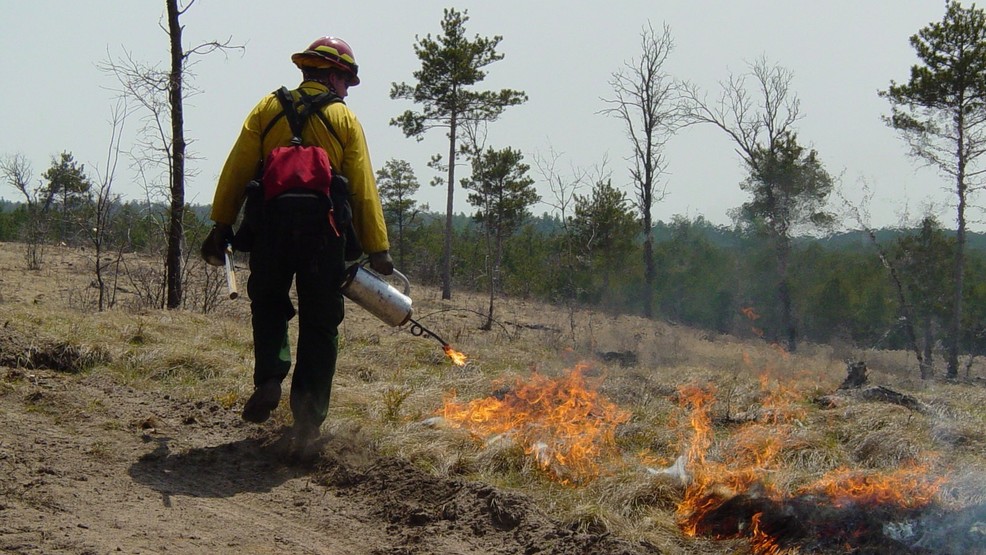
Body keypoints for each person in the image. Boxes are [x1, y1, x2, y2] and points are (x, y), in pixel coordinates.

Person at [201, 36, 393, 450]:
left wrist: (221, 223)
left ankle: (270, 377)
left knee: (269, 303)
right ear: (333, 75)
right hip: (326, 237)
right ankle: (306, 422)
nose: (346, 89)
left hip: (270, 229)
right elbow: (362, 188)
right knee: (321, 323)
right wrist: (378, 249)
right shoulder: (344, 119)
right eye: (346, 80)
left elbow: (236, 169)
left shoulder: (268, 109)